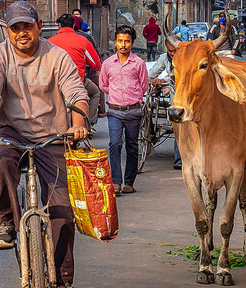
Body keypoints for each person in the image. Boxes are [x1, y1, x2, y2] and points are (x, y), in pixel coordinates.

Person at [0, 0, 89, 288]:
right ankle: (5, 225)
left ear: (39, 26)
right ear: (8, 32)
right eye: (15, 28)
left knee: (62, 210)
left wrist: (78, 123)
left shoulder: (56, 56)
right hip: (10, 135)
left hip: (52, 138)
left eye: (27, 26)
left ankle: (65, 283)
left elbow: (76, 92)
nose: (22, 33)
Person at [99, 25, 149, 195]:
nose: (123, 45)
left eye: (127, 41)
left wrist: (131, 97)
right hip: (114, 111)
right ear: (115, 42)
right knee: (115, 144)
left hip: (133, 111)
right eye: (120, 41)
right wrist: (117, 96)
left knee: (132, 146)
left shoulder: (139, 64)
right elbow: (104, 85)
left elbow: (143, 86)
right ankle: (116, 182)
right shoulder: (108, 64)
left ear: (132, 43)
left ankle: (129, 182)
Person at [51, 13, 102, 126]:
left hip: (54, 83)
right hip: (78, 81)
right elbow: (96, 65)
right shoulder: (83, 41)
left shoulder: (49, 42)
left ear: (59, 26)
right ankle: (89, 123)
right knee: (95, 93)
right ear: (73, 25)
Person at [148, 39, 181, 170]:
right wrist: (152, 81)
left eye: (175, 51)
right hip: (174, 93)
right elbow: (151, 73)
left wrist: (164, 79)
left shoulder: (186, 57)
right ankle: (179, 159)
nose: (172, 54)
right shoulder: (164, 58)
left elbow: (179, 75)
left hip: (185, 91)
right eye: (170, 51)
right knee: (177, 124)